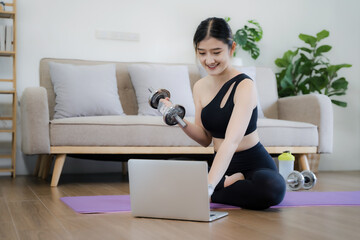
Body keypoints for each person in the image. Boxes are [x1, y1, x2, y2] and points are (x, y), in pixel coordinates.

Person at [162, 17, 286, 210]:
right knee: (172, 173)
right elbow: (204, 138)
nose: (209, 60)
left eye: (216, 52)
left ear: (232, 48)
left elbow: (231, 141)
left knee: (272, 188)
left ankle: (218, 189)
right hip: (222, 163)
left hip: (254, 161)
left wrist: (209, 187)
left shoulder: (245, 85)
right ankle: (225, 184)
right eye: (202, 53)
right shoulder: (200, 87)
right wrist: (177, 118)